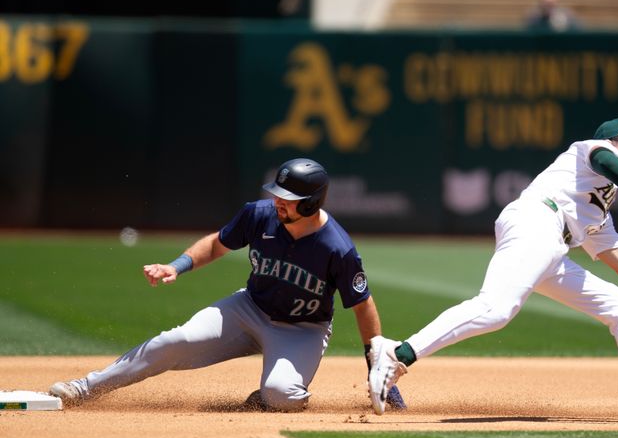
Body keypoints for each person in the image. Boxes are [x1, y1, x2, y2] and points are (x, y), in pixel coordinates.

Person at [369, 119, 618, 423]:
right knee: (495, 310)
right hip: (536, 220)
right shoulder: (593, 151)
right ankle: (398, 354)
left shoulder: (598, 214)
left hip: (551, 247)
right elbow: (607, 162)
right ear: (614, 142)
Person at [50, 158, 404, 412]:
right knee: (175, 340)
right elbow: (217, 243)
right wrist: (178, 265)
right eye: (277, 193)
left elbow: (362, 305)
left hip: (302, 329)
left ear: (310, 203)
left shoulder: (337, 248)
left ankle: (264, 399)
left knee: (282, 396)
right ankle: (84, 388)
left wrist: (378, 368)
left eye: (287, 198)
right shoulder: (259, 214)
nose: (278, 201)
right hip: (248, 309)